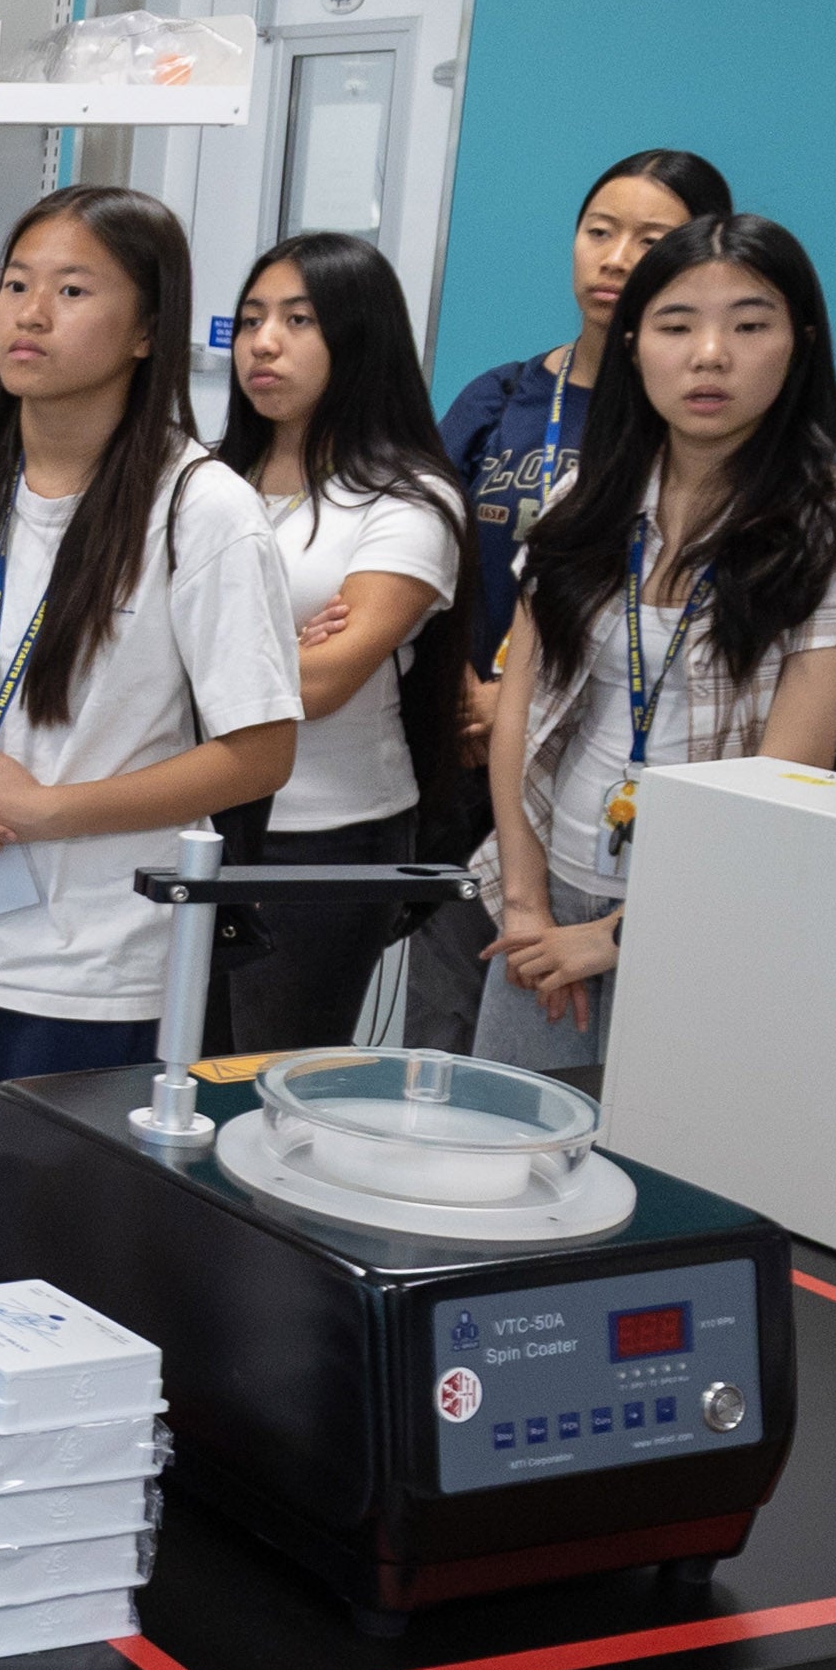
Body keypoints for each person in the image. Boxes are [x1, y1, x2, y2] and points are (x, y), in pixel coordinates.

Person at [0, 184, 303, 1112]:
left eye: (71, 291)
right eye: (17, 284)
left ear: (146, 330)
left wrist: (49, 811)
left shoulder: (201, 511)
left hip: (97, 971)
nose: (29, 314)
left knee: (60, 1204)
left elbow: (260, 753)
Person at [480, 211, 836, 1069]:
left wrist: (619, 936)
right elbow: (520, 707)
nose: (709, 356)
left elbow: (790, 778)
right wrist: (525, 902)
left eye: (749, 326)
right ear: (631, 345)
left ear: (799, 344)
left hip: (718, 919)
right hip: (549, 896)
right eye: (675, 326)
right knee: (513, 1138)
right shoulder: (584, 499)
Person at [408, 148, 725, 1044]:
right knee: (445, 1019)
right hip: (466, 752)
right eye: (598, 232)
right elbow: (422, 553)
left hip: (604, 766)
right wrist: (464, 690)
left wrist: (517, 700)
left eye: (649, 240)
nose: (615, 259)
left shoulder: (688, 428)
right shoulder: (502, 397)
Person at [210, 230, 472, 1053]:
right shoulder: (205, 482)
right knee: (158, 1074)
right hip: (185, 811)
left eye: (298, 320)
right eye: (250, 319)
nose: (263, 342)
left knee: (259, 1075)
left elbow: (321, 687)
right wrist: (283, 647)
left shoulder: (406, 499)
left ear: (360, 339)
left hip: (323, 830)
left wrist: (214, 656)